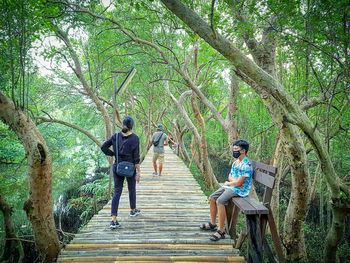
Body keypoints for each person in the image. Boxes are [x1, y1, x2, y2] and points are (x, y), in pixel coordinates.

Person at [200, 139, 253, 241]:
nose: (234, 151)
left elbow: (239, 183)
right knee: (212, 198)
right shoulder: (236, 162)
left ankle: (221, 230)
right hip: (232, 186)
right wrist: (232, 181)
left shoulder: (246, 165)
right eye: (233, 149)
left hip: (240, 190)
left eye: (236, 149)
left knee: (220, 201)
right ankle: (212, 223)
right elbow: (230, 176)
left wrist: (230, 182)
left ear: (243, 150)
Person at [101, 116, 141, 229]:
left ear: (123, 125)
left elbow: (103, 147)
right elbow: (136, 158)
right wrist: (138, 172)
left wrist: (113, 154)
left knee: (117, 192)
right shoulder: (135, 138)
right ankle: (133, 210)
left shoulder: (116, 136)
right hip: (130, 168)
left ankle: (113, 220)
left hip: (117, 167)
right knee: (131, 189)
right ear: (131, 126)